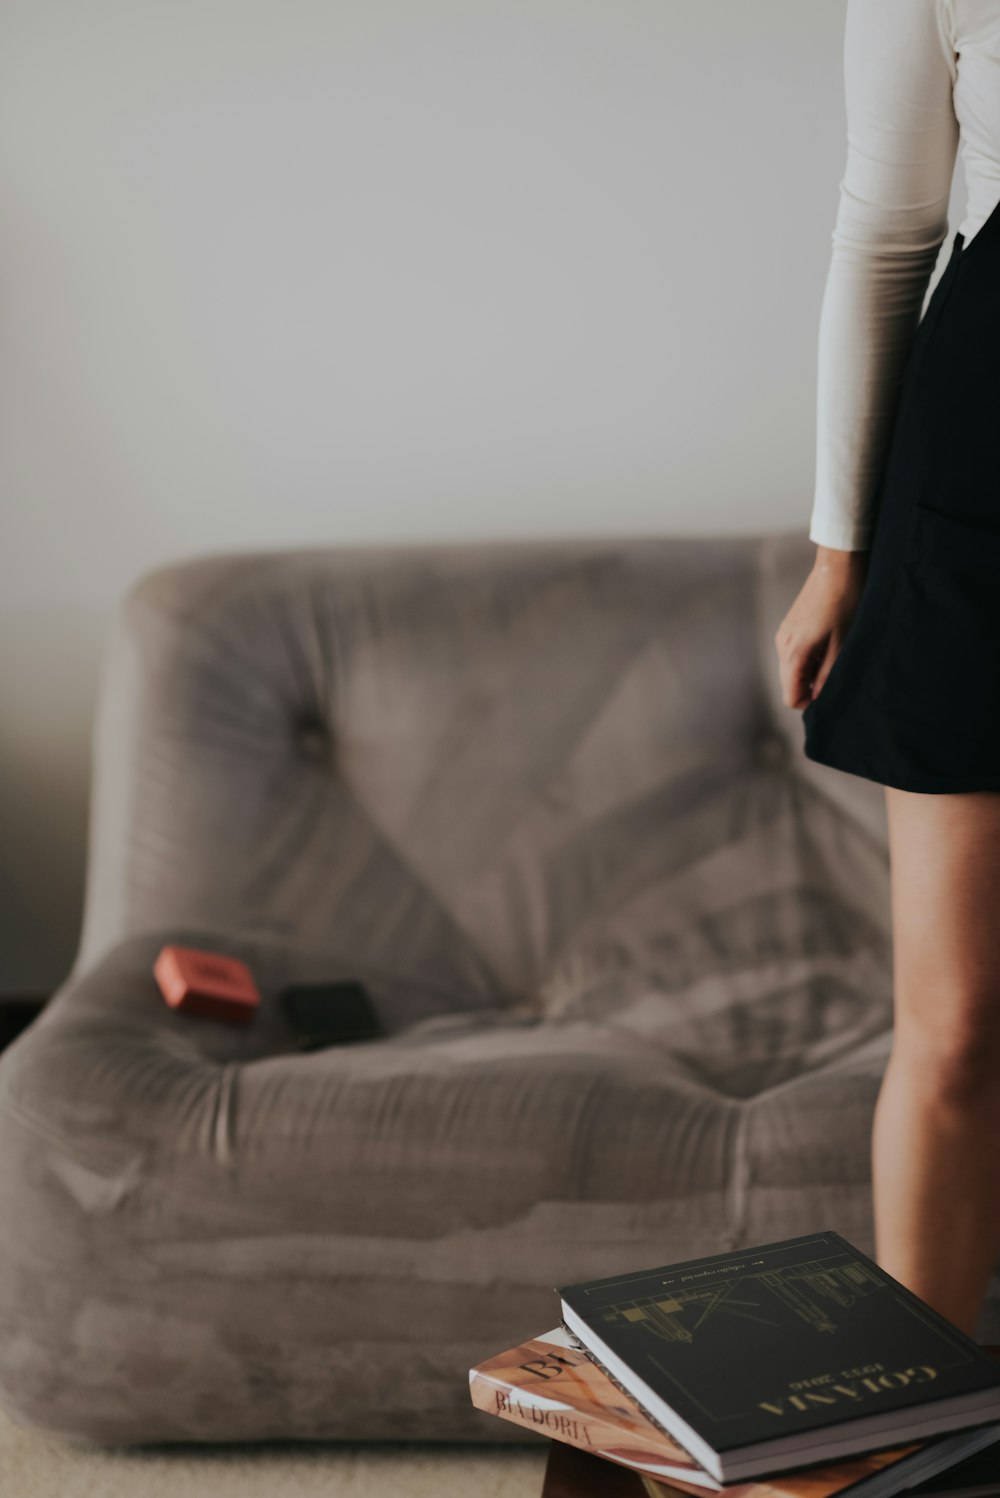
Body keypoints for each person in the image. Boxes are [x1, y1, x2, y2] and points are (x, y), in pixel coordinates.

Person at [774, 0, 1000, 1340]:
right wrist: (840, 552)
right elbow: (889, 223)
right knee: (960, 1017)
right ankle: (912, 1437)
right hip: (984, 453)